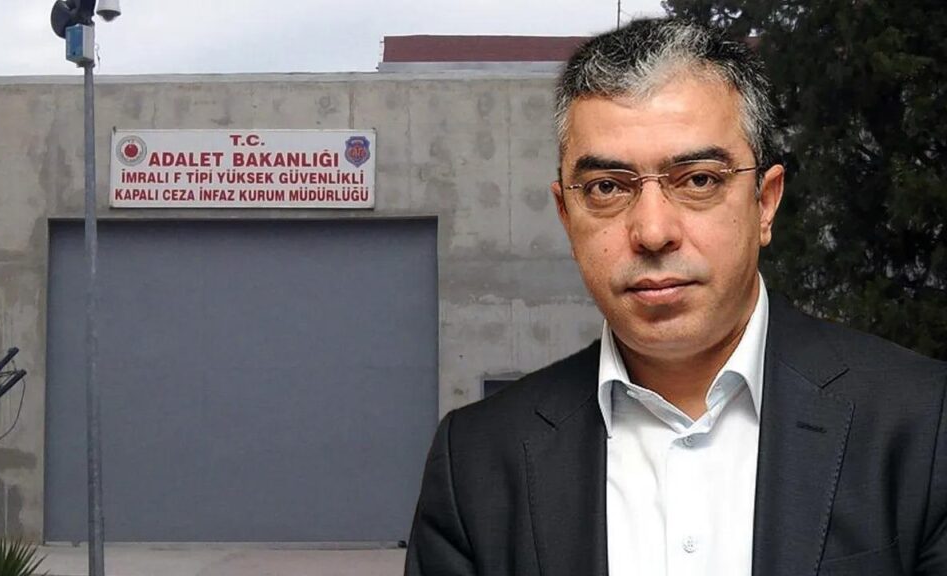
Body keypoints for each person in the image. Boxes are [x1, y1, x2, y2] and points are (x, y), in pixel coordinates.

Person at [404, 17, 947, 576]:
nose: (653, 231)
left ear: (765, 203)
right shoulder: (477, 462)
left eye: (698, 180)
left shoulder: (925, 424)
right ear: (567, 215)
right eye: (607, 187)